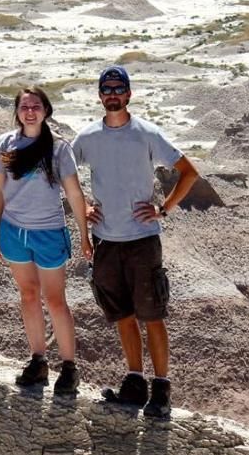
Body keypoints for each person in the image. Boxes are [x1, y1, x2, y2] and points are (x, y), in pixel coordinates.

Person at [72, 65, 199, 417]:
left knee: (152, 315)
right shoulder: (87, 138)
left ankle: (161, 389)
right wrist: (83, 207)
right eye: (106, 89)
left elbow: (189, 172)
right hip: (106, 242)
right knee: (124, 316)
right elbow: (62, 172)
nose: (112, 94)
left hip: (142, 239)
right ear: (100, 95)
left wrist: (164, 208)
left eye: (118, 88)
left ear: (129, 94)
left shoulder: (147, 133)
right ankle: (134, 382)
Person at [0, 87, 92, 392]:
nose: (30, 111)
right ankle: (38, 360)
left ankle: (70, 367)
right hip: (13, 230)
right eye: (24, 107)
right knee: (29, 296)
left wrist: (84, 234)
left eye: (35, 106)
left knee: (56, 300)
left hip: (47, 233)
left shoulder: (58, 149)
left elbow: (74, 193)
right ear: (17, 112)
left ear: (45, 110)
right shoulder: (5, 144)